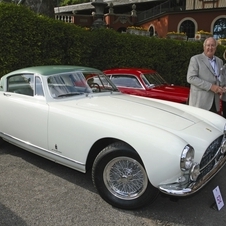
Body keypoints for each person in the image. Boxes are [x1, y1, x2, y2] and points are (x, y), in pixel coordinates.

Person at [187, 37, 224, 114]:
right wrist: (211, 86)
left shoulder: (220, 61)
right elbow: (191, 78)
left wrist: (223, 87)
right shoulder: (195, 59)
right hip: (200, 103)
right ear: (204, 47)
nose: (210, 48)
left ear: (216, 48)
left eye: (213, 45)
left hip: (215, 103)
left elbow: (220, 79)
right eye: (208, 45)